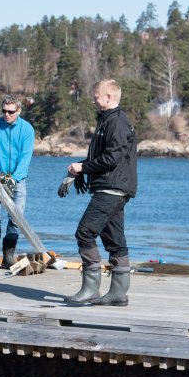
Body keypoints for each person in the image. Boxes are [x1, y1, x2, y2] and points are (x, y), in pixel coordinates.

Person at [64, 79, 138, 306]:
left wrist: (84, 168)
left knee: (84, 232)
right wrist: (81, 168)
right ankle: (118, 294)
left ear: (108, 97)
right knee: (114, 239)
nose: (93, 99)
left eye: (96, 95)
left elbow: (112, 158)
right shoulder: (107, 120)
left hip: (112, 188)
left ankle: (90, 289)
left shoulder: (117, 122)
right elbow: (103, 157)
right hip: (112, 187)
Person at [0, 95, 35, 272]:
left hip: (18, 181)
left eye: (10, 112)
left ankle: (8, 257)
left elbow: (26, 156)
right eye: (4, 111)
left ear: (18, 111)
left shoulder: (27, 129)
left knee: (16, 217)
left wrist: (14, 178)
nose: (6, 114)